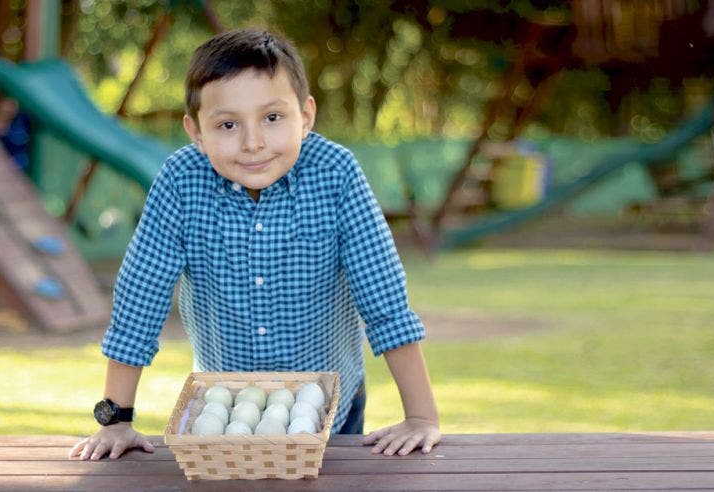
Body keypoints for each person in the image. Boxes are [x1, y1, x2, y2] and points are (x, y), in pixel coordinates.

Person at [70, 29, 440, 461]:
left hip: (327, 406)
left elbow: (385, 300)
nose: (252, 143)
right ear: (196, 131)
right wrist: (115, 420)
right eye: (227, 125)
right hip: (225, 405)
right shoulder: (179, 182)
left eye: (272, 118)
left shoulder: (337, 174)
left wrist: (421, 416)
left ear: (305, 115)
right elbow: (140, 300)